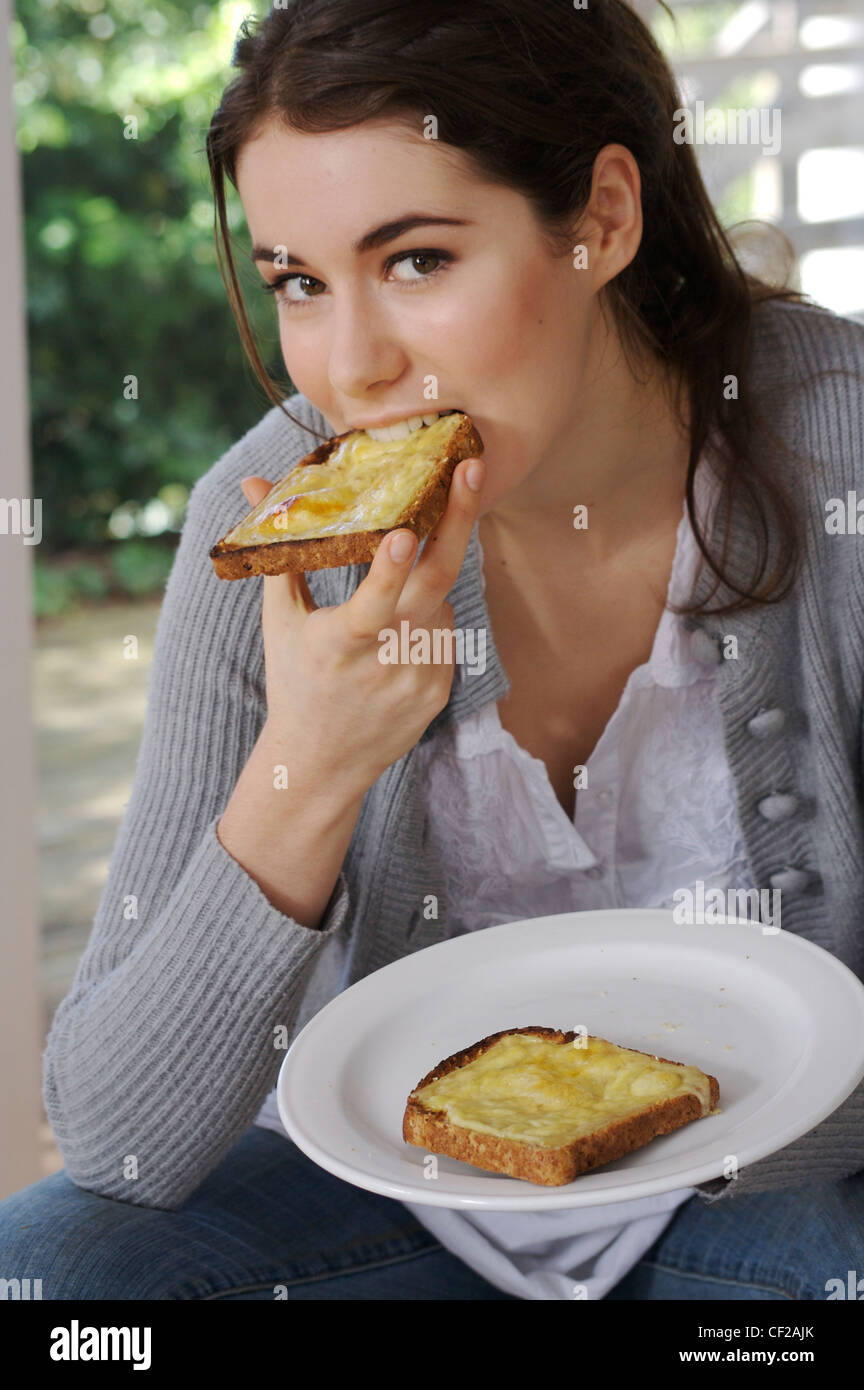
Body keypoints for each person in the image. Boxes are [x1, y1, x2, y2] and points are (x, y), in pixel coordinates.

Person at [2, 0, 862, 1300]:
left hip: (765, 1204)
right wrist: (304, 770)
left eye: (415, 260)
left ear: (602, 221)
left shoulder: (838, 445)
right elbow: (122, 1139)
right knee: (49, 1272)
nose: (352, 367)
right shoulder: (270, 528)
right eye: (299, 280)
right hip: (388, 1209)